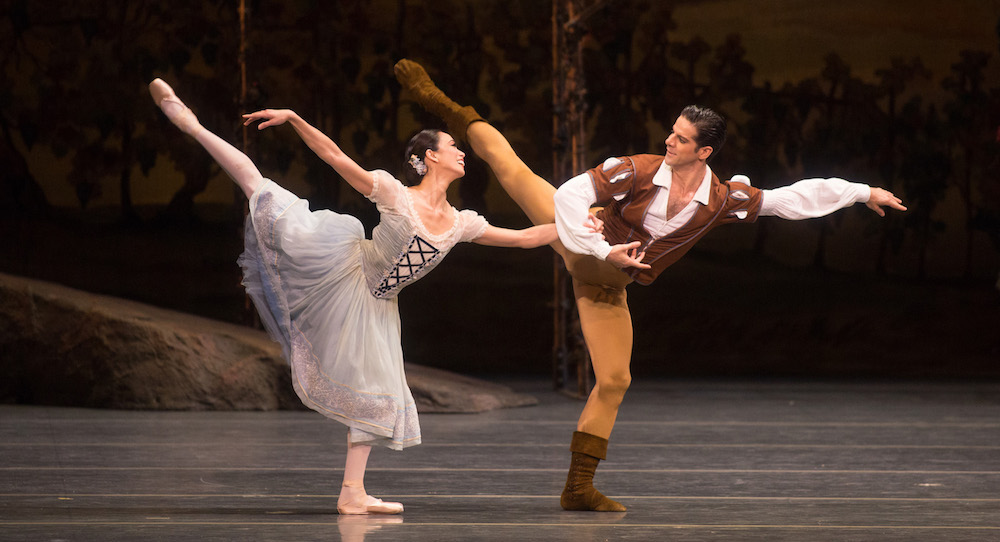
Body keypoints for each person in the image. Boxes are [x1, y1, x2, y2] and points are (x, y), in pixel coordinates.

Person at [392, 59, 907, 512]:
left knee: (616, 380)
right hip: (581, 241)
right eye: (672, 131)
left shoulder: (724, 199)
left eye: (681, 138)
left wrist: (863, 193)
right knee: (507, 164)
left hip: (607, 288)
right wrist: (598, 246)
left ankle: (578, 488)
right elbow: (572, 196)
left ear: (703, 152)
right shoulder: (635, 170)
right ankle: (438, 100)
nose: (669, 140)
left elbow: (793, 199)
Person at [148, 78, 559, 515]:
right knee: (262, 189)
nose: (462, 152)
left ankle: (352, 494)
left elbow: (526, 238)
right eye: (453, 145)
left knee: (377, 396)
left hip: (378, 308)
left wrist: (592, 234)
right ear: (429, 156)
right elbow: (334, 156)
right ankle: (191, 125)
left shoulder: (460, 223)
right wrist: (293, 118)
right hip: (345, 273)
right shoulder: (396, 195)